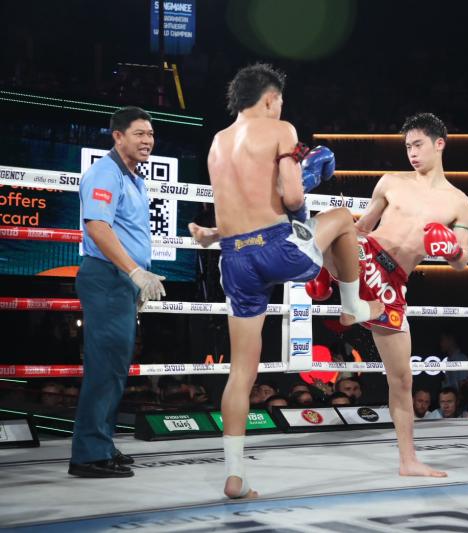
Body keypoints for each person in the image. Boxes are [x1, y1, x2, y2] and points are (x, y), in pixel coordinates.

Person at [187, 63, 383, 499]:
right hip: (277, 249)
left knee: (242, 371)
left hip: (234, 258)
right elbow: (293, 197)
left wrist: (211, 234)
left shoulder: (217, 143)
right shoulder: (281, 130)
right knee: (341, 219)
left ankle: (235, 475)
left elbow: (234, 212)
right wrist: (306, 176)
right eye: (280, 102)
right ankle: (352, 305)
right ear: (271, 99)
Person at [311, 113, 468, 476]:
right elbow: (363, 227)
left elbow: (462, 260)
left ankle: (408, 461)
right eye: (407, 147)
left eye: (418, 145)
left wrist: (450, 249)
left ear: (439, 144)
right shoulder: (391, 182)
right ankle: (316, 266)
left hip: (392, 284)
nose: (412, 153)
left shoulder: (460, 202)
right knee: (339, 217)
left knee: (401, 380)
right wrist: (338, 249)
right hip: (365, 256)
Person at [69, 106, 166, 479]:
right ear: (118, 136)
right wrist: (134, 271)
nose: (148, 140)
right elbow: (98, 226)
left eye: (151, 134)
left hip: (119, 280)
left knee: (114, 367)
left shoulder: (133, 177)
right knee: (105, 366)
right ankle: (89, 455)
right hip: (107, 276)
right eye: (140, 133)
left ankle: (102, 444)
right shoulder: (105, 173)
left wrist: (134, 277)